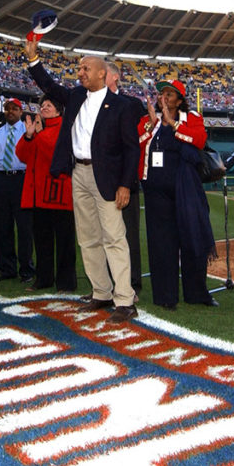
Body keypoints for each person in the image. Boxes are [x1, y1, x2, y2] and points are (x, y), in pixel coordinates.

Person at [26, 38, 140, 324]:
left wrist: (126, 184)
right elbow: (50, 88)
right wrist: (33, 61)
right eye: (79, 68)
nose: (81, 72)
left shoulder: (122, 106)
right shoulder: (76, 96)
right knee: (88, 237)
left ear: (103, 73)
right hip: (79, 173)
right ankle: (101, 291)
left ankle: (125, 300)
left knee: (114, 237)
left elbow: (131, 148)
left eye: (86, 68)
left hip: (108, 179)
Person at [137, 78, 216, 309]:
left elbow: (199, 140)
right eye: (162, 94)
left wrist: (172, 124)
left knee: (193, 238)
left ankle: (197, 293)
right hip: (155, 190)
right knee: (162, 244)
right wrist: (153, 124)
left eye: (170, 94)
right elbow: (137, 144)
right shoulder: (148, 120)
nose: (164, 98)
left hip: (186, 189)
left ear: (180, 100)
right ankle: (165, 296)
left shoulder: (192, 119)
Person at [15, 97, 76, 292]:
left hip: (59, 193)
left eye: (49, 105)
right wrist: (28, 136)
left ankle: (66, 282)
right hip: (39, 194)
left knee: (64, 241)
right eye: (43, 106)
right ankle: (44, 278)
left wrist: (38, 135)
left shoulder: (64, 129)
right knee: (42, 240)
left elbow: (55, 154)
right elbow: (22, 155)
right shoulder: (39, 131)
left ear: (58, 110)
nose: (44, 108)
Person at [105, 62, 146, 296]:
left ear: (114, 77)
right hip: (99, 178)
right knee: (103, 235)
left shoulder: (133, 104)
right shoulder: (91, 103)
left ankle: (132, 284)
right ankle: (104, 285)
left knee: (128, 234)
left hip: (125, 177)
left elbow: (139, 142)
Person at [0, 99, 34, 283]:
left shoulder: (28, 131)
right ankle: (7, 269)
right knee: (2, 227)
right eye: (7, 109)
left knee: (25, 227)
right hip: (2, 180)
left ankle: (27, 269)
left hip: (22, 178)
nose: (10, 111)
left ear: (21, 111)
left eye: (14, 108)